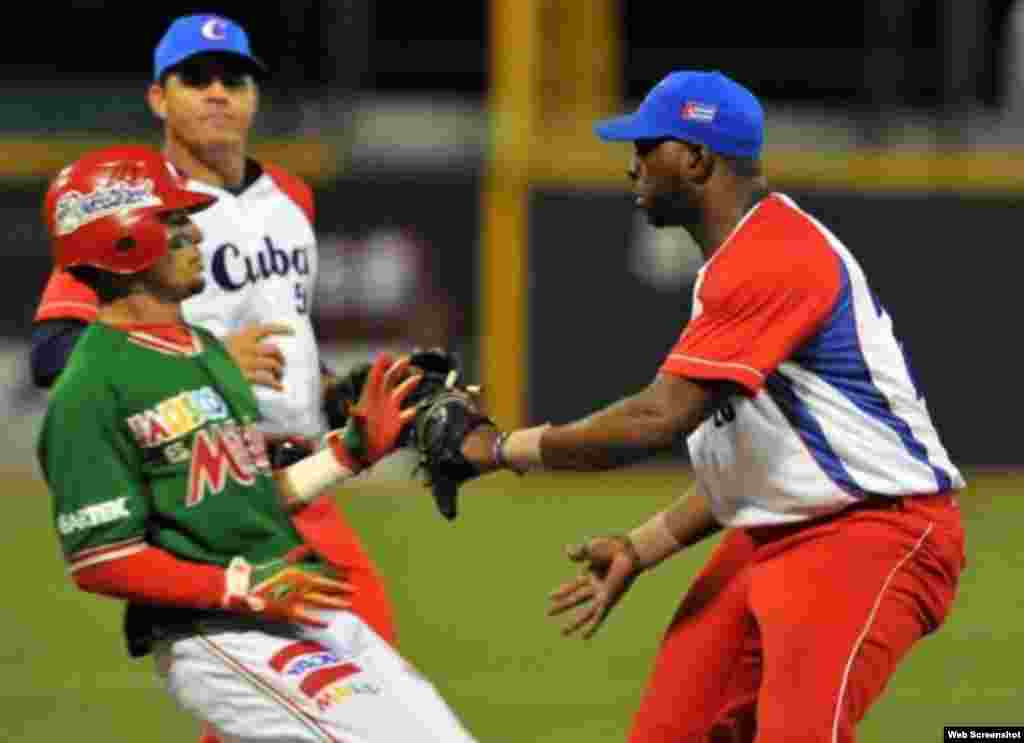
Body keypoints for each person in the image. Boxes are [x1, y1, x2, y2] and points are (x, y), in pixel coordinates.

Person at [457, 70, 966, 742]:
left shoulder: (775, 255)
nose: (632, 162)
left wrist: (501, 448)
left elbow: (652, 419)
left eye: (648, 145)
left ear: (697, 158)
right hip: (780, 529)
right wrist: (642, 547)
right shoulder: (731, 268)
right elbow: (756, 461)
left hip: (875, 529)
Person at [30, 17, 403, 742]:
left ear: (256, 95)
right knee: (356, 689)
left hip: (303, 475)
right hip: (210, 487)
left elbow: (289, 341)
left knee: (291, 704)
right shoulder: (127, 209)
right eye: (194, 78)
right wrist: (200, 355)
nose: (217, 93)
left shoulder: (292, 197)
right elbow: (55, 351)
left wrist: (338, 391)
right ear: (157, 99)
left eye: (234, 78)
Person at [38, 144, 478, 742]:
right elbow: (100, 560)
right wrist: (239, 588)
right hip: (211, 632)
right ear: (123, 243)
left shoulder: (205, 353)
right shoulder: (90, 390)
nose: (194, 231)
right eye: (172, 221)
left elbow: (248, 497)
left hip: (289, 603)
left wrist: (349, 452)